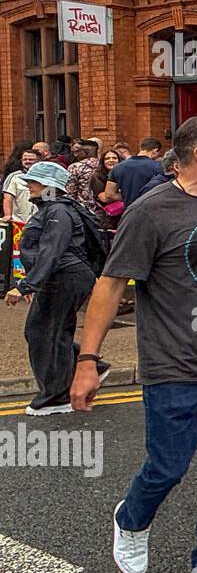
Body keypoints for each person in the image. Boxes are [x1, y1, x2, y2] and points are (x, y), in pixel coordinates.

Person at [72, 117, 197, 573]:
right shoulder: (151, 212)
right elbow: (111, 284)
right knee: (170, 464)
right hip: (173, 363)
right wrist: (88, 360)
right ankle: (131, 519)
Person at [3, 162, 107, 416]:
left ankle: (56, 396)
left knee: (44, 333)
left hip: (65, 277)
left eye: (34, 182)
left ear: (50, 187)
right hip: (61, 277)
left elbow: (52, 251)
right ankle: (90, 365)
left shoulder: (58, 211)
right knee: (48, 331)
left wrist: (26, 285)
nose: (28, 186)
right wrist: (33, 282)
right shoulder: (53, 209)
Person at [103, 137, 164, 209]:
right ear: (155, 150)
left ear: (141, 148)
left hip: (129, 212)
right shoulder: (157, 166)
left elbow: (109, 194)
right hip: (150, 210)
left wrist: (127, 196)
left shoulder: (118, 167)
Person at [2, 147, 39, 222]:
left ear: (39, 161)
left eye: (31, 159)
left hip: (39, 222)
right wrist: (8, 215)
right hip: (19, 222)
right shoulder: (14, 177)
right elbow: (8, 198)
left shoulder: (46, 178)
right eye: (25, 159)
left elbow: (50, 198)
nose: (27, 161)